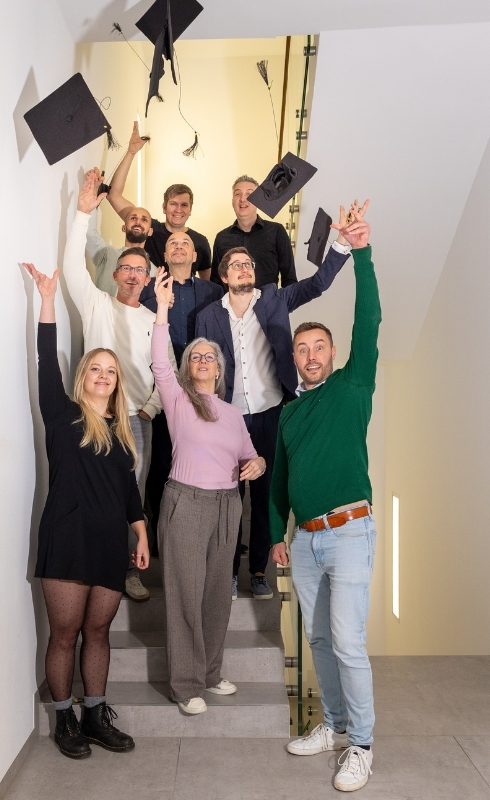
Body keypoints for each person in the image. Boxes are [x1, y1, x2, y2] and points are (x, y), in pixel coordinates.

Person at [269, 202, 379, 792]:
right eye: (302, 349)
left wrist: (361, 253)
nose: (310, 355)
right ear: (294, 359)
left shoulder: (353, 385)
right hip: (305, 541)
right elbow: (279, 484)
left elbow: (369, 319)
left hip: (350, 532)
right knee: (316, 640)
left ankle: (361, 744)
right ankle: (334, 727)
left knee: (346, 641)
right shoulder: (289, 415)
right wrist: (276, 537)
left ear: (332, 353)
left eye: (319, 346)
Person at [23, 261, 149, 759]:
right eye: (96, 368)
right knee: (65, 634)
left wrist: (141, 535)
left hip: (108, 543)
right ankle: (64, 720)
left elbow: (129, 494)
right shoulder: (62, 414)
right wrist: (47, 301)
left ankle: (95, 715)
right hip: (66, 538)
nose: (103, 375)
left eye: (110, 371)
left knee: (98, 632)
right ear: (84, 376)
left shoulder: (122, 433)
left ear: (118, 382)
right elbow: (45, 360)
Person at [196, 214, 352, 600]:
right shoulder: (207, 317)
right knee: (229, 499)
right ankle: (228, 574)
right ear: (224, 276)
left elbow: (317, 284)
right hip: (228, 419)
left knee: (266, 496)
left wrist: (343, 244)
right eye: (236, 265)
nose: (244, 268)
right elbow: (202, 370)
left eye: (248, 263)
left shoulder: (275, 299)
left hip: (271, 413)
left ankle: (258, 571)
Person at [151, 267, 265, 715]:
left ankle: (211, 673)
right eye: (195, 356)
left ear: (219, 369)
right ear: (188, 368)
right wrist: (163, 309)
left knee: (218, 594)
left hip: (227, 505)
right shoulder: (178, 399)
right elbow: (159, 362)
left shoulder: (233, 413)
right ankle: (186, 685)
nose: (202, 360)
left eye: (209, 357)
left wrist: (257, 464)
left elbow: (250, 455)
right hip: (186, 502)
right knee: (185, 594)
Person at [63, 169, 177, 603]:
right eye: (126, 268)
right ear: (114, 274)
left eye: (139, 271)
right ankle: (92, 564)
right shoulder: (95, 304)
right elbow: (72, 268)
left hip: (136, 422)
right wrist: (82, 214)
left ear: (148, 280)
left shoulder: (153, 320)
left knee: (131, 498)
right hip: (92, 417)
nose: (132, 275)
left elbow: (166, 370)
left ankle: (129, 570)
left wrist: (149, 408)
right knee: (88, 492)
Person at [141, 232, 224, 550]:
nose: (179, 246)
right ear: (164, 255)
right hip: (160, 390)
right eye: (172, 243)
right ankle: (163, 537)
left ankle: (204, 533)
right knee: (160, 464)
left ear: (195, 257)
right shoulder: (149, 289)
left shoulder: (213, 292)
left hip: (201, 389)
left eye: (185, 244)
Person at [107, 122, 212, 279]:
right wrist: (131, 152)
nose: (178, 210)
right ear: (164, 207)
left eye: (184, 205)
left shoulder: (200, 242)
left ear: (190, 209)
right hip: (145, 293)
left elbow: (206, 283)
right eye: (173, 204)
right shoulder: (148, 226)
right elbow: (114, 195)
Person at [211, 175, 297, 289]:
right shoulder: (222, 238)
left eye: (249, 194)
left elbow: (290, 279)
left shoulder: (276, 232)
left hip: (268, 300)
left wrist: (280, 301)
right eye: (238, 194)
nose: (242, 199)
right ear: (232, 202)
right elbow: (216, 283)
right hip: (231, 300)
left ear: (258, 201)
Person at [85, 168, 158, 296]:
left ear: (150, 231)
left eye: (144, 220)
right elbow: (89, 232)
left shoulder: (154, 273)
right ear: (124, 227)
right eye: (133, 218)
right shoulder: (106, 254)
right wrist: (93, 193)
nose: (138, 222)